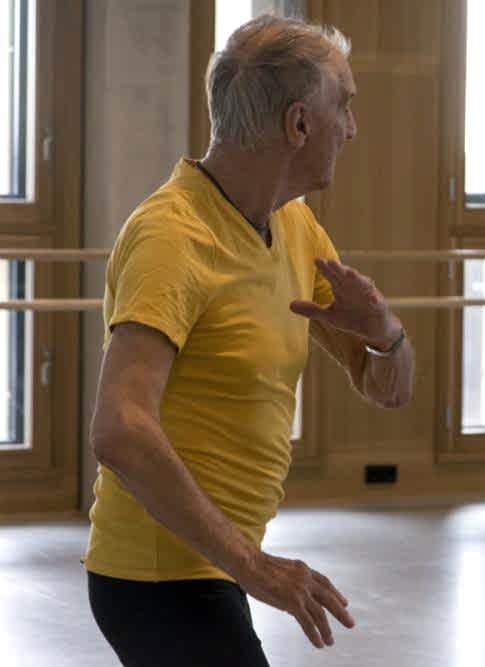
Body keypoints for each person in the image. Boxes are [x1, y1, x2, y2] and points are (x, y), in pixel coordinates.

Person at [84, 15, 415, 666]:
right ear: (298, 124)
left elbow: (387, 388)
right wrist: (255, 566)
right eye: (343, 107)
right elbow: (119, 427)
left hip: (212, 565)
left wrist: (385, 334)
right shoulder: (171, 237)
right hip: (155, 572)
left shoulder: (294, 226)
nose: (352, 128)